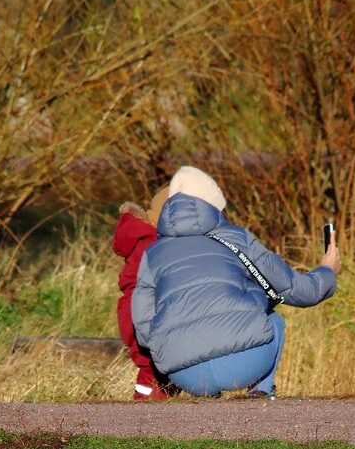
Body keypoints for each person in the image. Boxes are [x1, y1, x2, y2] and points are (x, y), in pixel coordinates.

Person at [131, 165, 340, 399]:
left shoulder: (152, 254)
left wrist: (175, 347)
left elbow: (143, 327)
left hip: (184, 374)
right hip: (245, 363)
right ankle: (261, 393)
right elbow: (297, 290)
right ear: (215, 207)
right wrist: (327, 269)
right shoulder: (237, 237)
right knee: (273, 319)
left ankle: (212, 406)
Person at [112, 186, 177, 400]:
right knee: (154, 369)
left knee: (153, 369)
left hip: (130, 308)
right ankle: (145, 410)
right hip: (144, 311)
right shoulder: (154, 242)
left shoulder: (140, 235)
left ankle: (146, 406)